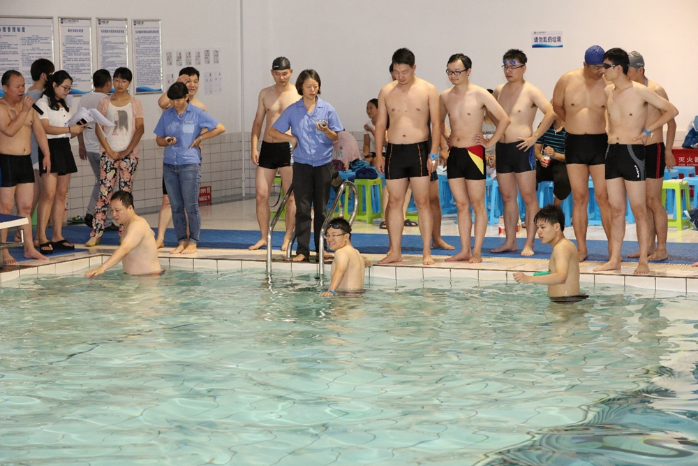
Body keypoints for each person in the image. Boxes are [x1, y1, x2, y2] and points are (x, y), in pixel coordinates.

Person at [595, 48, 678, 275]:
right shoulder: (608, 91)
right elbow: (608, 112)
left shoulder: (641, 91)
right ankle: (615, 259)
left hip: (633, 153)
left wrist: (647, 130)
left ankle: (643, 261)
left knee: (639, 209)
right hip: (612, 152)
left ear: (618, 68)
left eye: (606, 66)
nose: (602, 70)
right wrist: (607, 126)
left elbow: (671, 111)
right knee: (616, 209)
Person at [439, 53, 510, 263]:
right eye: (449, 72)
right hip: (455, 153)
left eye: (457, 72)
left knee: (478, 204)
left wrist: (490, 142)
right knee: (461, 205)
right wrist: (446, 137)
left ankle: (477, 251)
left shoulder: (480, 94)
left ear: (468, 71)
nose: (453, 75)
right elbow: (438, 121)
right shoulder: (445, 96)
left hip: (474, 153)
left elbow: (504, 119)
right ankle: (464, 250)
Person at [374, 48, 442, 265]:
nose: (400, 76)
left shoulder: (428, 89)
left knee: (422, 202)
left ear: (414, 68)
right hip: (394, 151)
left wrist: (433, 153)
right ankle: (395, 251)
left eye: (404, 72)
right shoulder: (386, 91)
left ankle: (426, 252)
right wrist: (379, 154)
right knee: (394, 202)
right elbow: (380, 124)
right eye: (396, 72)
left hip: (419, 151)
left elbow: (437, 124)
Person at [269, 69, 342, 262]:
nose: (312, 90)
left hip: (323, 164)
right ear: (301, 87)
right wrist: (291, 138)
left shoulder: (327, 109)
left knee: (321, 209)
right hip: (302, 165)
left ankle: (321, 248)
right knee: (302, 208)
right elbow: (273, 132)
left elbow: (336, 136)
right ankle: (302, 250)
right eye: (309, 86)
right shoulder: (293, 110)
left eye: (315, 86)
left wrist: (326, 131)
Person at [492, 49, 556, 256]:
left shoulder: (531, 91)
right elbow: (492, 115)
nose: (508, 71)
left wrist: (534, 137)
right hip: (503, 149)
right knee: (507, 197)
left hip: (522, 149)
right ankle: (510, 241)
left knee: (529, 197)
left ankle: (529, 243)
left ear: (523, 68)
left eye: (513, 67)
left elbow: (551, 113)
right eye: (505, 67)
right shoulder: (499, 90)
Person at [552, 45, 611, 262]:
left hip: (600, 143)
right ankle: (582, 248)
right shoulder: (567, 80)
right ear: (585, 64)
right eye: (596, 67)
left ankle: (613, 249)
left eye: (603, 67)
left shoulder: (609, 83)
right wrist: (572, 121)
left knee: (603, 197)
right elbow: (557, 106)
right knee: (579, 197)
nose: (600, 71)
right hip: (575, 143)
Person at [154, 82, 225, 254]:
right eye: (172, 100)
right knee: (176, 206)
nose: (175, 103)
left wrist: (200, 138)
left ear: (186, 97)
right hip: (170, 164)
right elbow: (158, 140)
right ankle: (181, 241)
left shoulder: (197, 113)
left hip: (189, 164)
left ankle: (193, 241)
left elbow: (220, 128)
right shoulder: (167, 115)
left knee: (191, 205)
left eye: (178, 100)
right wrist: (167, 141)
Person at [626, 51, 677, 262]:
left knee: (653, 200)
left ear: (640, 69)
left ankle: (662, 248)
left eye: (628, 69)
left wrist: (668, 150)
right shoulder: (628, 90)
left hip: (654, 149)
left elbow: (671, 122)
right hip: (635, 150)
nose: (625, 73)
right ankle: (647, 246)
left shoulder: (656, 90)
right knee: (641, 202)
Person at [86, 67, 145, 247]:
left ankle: (125, 233)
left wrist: (127, 151)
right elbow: (98, 128)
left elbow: (140, 128)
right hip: (108, 154)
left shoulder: (135, 103)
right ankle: (96, 233)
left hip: (129, 155)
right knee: (104, 194)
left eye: (123, 81)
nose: (119, 84)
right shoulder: (104, 102)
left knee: (125, 195)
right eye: (117, 80)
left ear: (129, 83)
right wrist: (109, 151)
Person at [249, 57, 299, 251]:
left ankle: (287, 236)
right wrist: (254, 147)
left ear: (291, 72)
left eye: (285, 73)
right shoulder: (265, 93)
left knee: (291, 196)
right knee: (261, 195)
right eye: (277, 74)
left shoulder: (297, 93)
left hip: (288, 148)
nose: (281, 77)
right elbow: (258, 122)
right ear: (272, 73)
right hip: (268, 148)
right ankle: (264, 237)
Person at [0, 70, 50, 266]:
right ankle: (4, 251)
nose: (22, 89)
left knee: (26, 208)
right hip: (6, 162)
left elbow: (39, 131)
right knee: (5, 208)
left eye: (23, 85)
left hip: (25, 161)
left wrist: (46, 154)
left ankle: (29, 248)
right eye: (17, 86)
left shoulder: (28, 107)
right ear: (5, 88)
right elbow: (9, 131)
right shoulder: (1, 108)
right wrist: (23, 111)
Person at [155, 67, 208, 248]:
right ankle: (161, 238)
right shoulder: (172, 103)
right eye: (188, 81)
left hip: (188, 160)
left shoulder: (199, 107)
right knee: (169, 200)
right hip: (172, 160)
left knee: (188, 203)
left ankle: (189, 239)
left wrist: (199, 139)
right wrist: (178, 83)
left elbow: (206, 128)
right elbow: (162, 102)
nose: (192, 85)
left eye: (195, 81)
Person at [35, 70, 86, 254]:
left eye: (69, 88)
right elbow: (45, 127)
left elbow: (66, 132)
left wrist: (78, 128)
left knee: (61, 194)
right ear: (54, 85)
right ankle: (41, 236)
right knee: (48, 194)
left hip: (64, 147)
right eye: (65, 87)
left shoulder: (64, 104)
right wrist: (70, 129)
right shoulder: (42, 103)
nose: (67, 91)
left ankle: (57, 235)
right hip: (49, 148)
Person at [513, 204, 583, 301]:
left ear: (556, 227)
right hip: (567, 301)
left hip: (564, 304)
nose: (539, 231)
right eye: (538, 227)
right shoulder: (565, 245)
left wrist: (528, 279)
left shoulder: (561, 247)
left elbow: (561, 277)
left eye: (543, 227)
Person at [84, 191, 162, 278]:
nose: (114, 214)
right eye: (112, 210)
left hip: (148, 279)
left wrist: (102, 268)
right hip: (136, 279)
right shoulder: (129, 225)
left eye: (117, 210)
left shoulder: (137, 224)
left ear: (130, 208)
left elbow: (125, 248)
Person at [77, 69, 114, 230]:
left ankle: (92, 213)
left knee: (101, 182)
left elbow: (79, 123)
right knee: (108, 183)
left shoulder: (84, 98)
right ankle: (102, 218)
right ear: (108, 83)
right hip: (104, 148)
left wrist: (81, 144)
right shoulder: (107, 100)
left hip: (89, 147)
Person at [25, 58, 54, 240]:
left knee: (36, 194)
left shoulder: (29, 93)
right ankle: (34, 234)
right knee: (41, 194)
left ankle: (24, 233)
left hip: (32, 150)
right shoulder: (38, 97)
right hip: (37, 150)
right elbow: (41, 127)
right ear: (44, 75)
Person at [320, 217, 371, 297]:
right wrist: (368, 262)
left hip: (345, 298)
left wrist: (330, 290)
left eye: (334, 235)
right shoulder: (356, 253)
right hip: (357, 297)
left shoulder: (341, 252)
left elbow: (340, 270)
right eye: (328, 235)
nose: (330, 239)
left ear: (346, 237)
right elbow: (367, 263)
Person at [534, 113, 570, 207]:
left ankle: (555, 207)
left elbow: (572, 156)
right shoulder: (544, 125)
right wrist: (540, 157)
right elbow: (536, 148)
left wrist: (555, 155)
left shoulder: (571, 128)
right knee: (529, 175)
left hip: (562, 163)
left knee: (564, 180)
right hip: (546, 162)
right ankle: (534, 207)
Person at [362, 98, 379, 163]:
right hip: (373, 153)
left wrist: (371, 130)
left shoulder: (384, 123)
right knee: (365, 162)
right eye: (367, 108)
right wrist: (366, 154)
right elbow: (366, 144)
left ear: (378, 109)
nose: (368, 111)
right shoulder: (367, 125)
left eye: (371, 108)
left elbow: (383, 142)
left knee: (376, 161)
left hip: (385, 152)